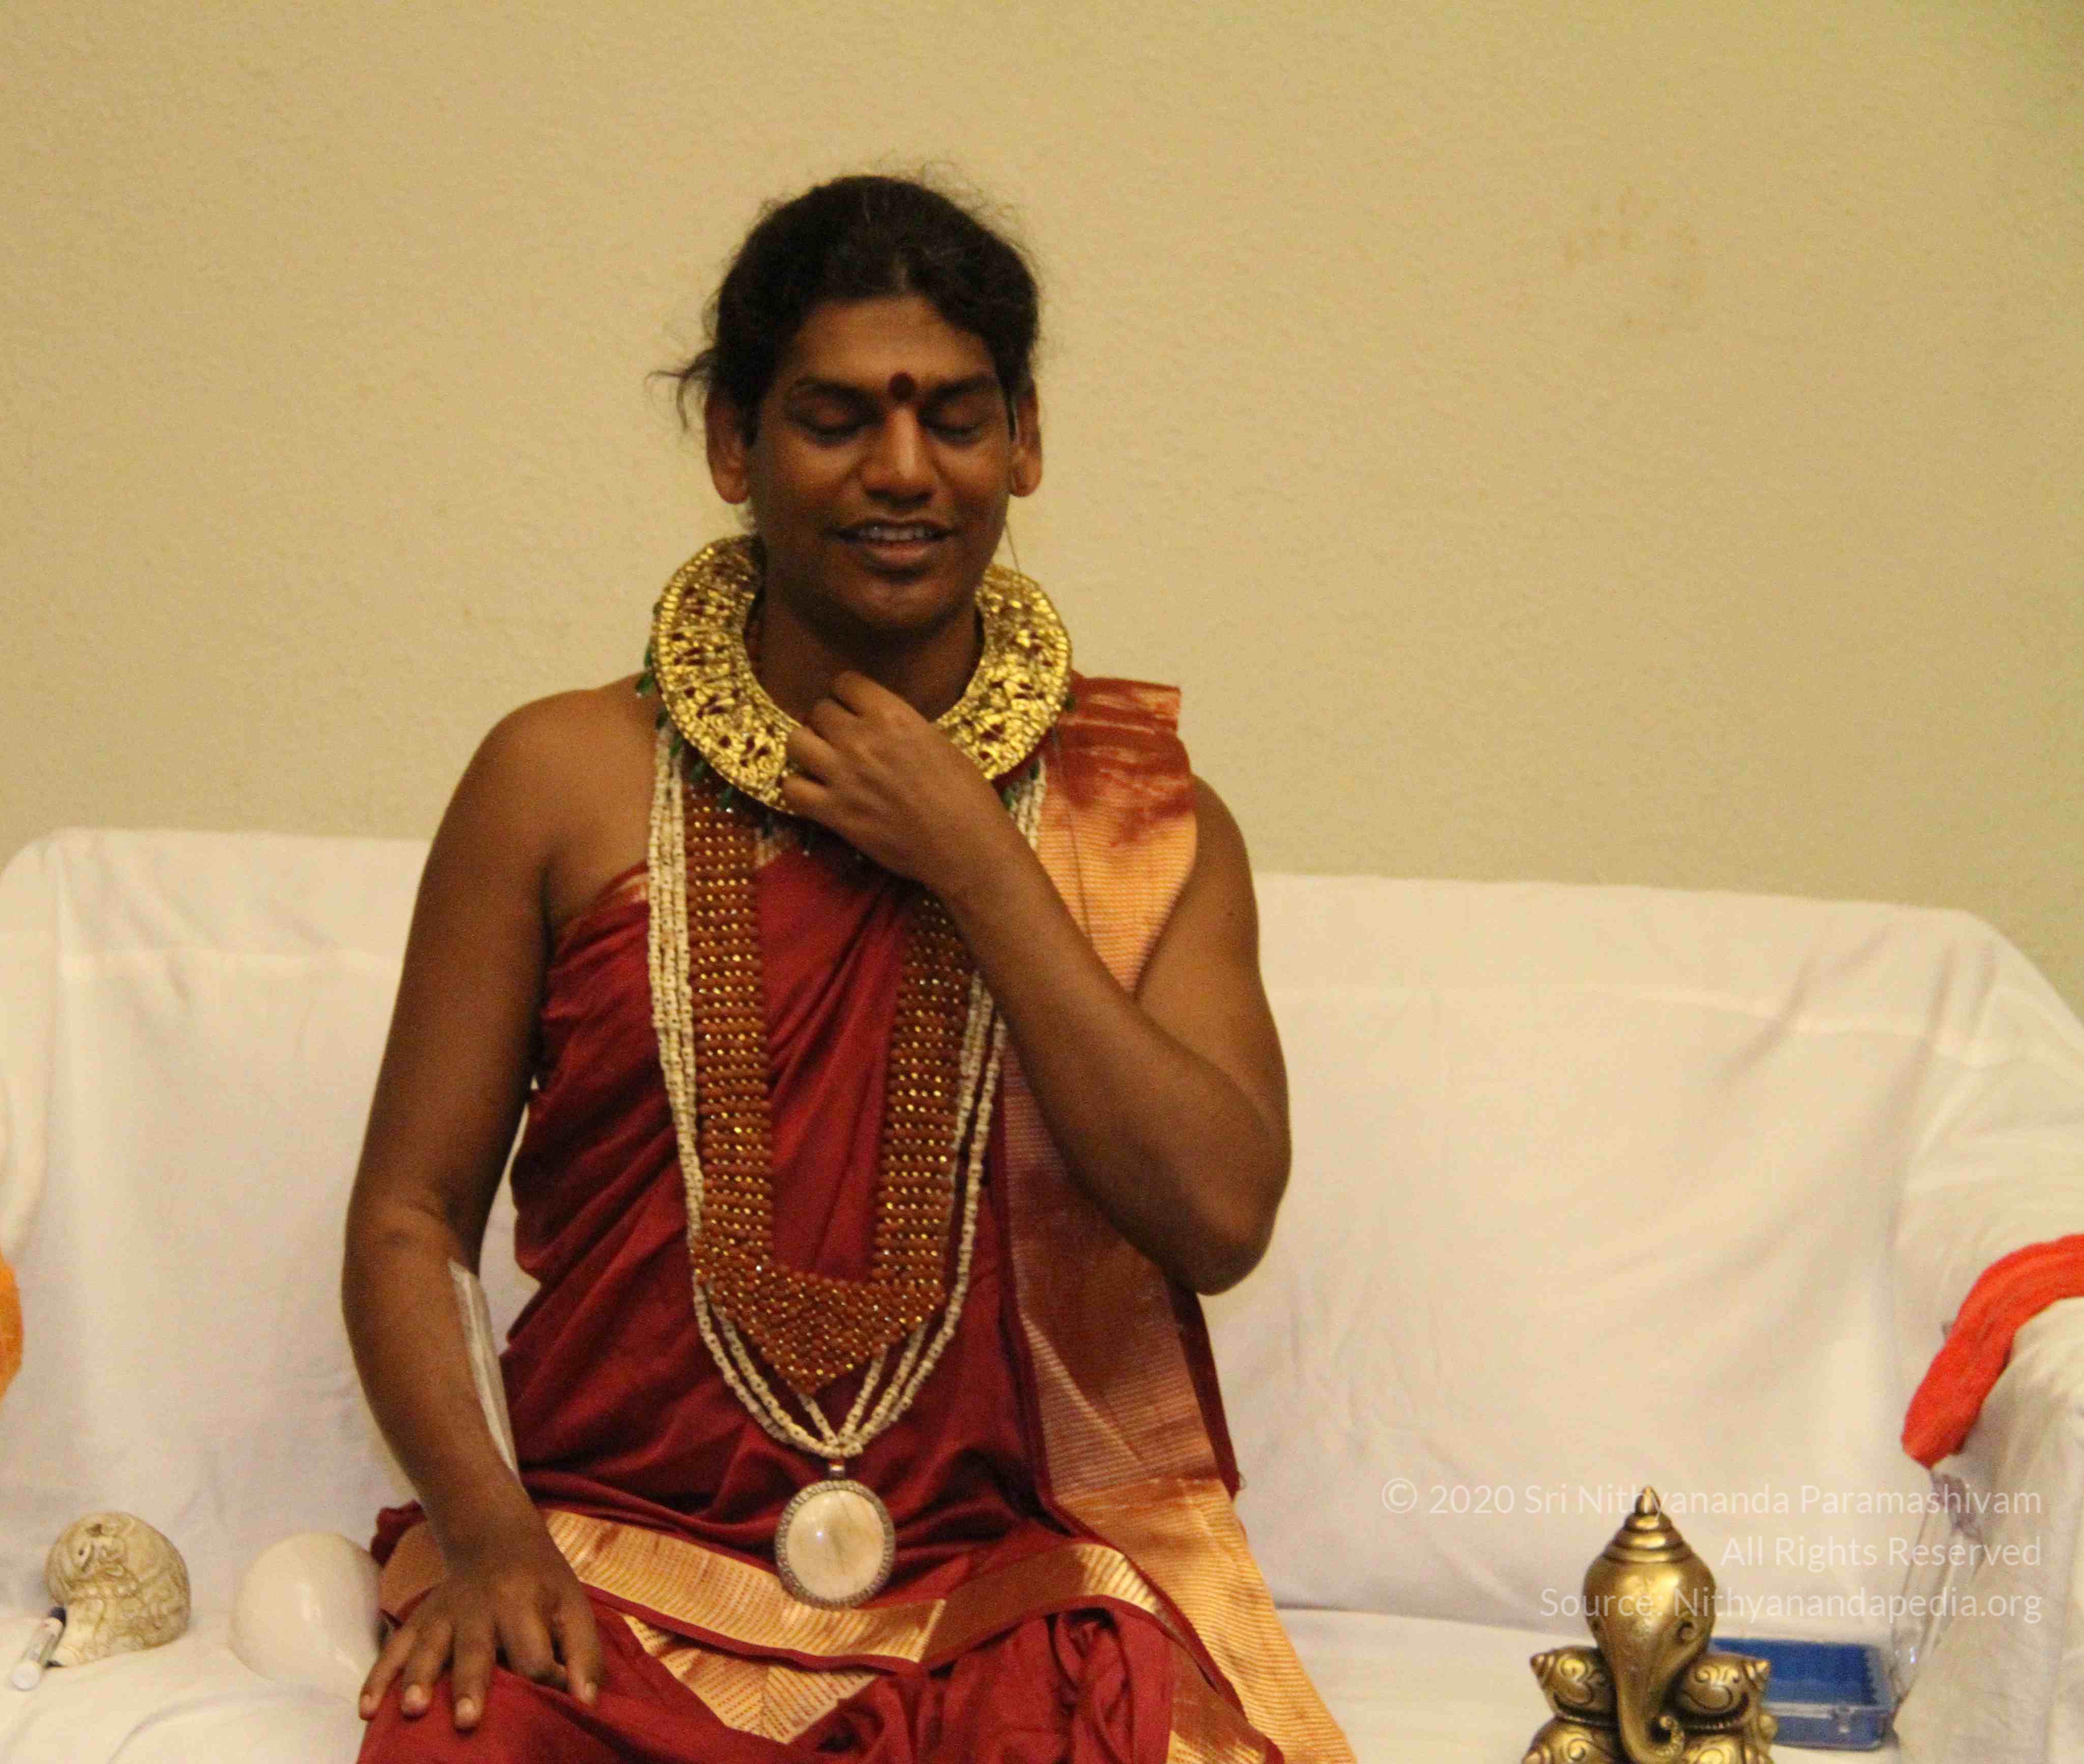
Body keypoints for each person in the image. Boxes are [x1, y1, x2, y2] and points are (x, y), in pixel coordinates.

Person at [340, 174, 1352, 1763]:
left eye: (954, 416)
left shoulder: (1142, 823)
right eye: (834, 419)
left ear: (1025, 442)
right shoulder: (556, 781)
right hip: (611, 1571)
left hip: (993, 1597)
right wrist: (486, 1535)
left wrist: (980, 866)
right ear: (732, 445)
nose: (903, 469)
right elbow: (408, 1217)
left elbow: (1220, 1217)